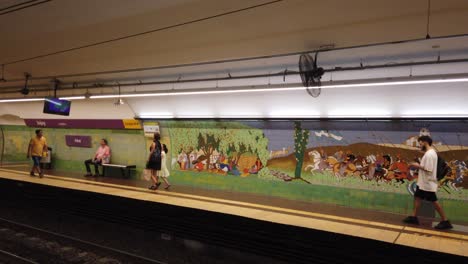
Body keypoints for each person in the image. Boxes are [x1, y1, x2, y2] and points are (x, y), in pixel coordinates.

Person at [403, 135, 453, 230]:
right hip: (423, 183)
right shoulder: (430, 153)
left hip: (427, 184)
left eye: (420, 142)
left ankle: (445, 221)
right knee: (417, 197)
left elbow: (429, 169)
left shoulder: (430, 154)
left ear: (425, 142)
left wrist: (416, 165)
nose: (420, 144)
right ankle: (413, 217)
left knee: (434, 202)